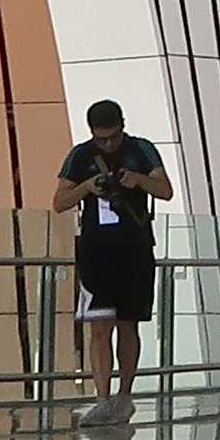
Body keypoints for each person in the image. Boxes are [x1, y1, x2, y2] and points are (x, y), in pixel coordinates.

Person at [53, 98, 170, 404]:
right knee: (99, 326)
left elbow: (165, 190)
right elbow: (60, 201)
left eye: (113, 137)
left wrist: (138, 180)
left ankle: (124, 394)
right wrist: (88, 186)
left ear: (123, 127)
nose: (106, 144)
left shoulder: (140, 150)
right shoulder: (81, 155)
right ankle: (102, 398)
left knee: (128, 323)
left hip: (134, 248)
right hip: (96, 251)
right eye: (100, 139)